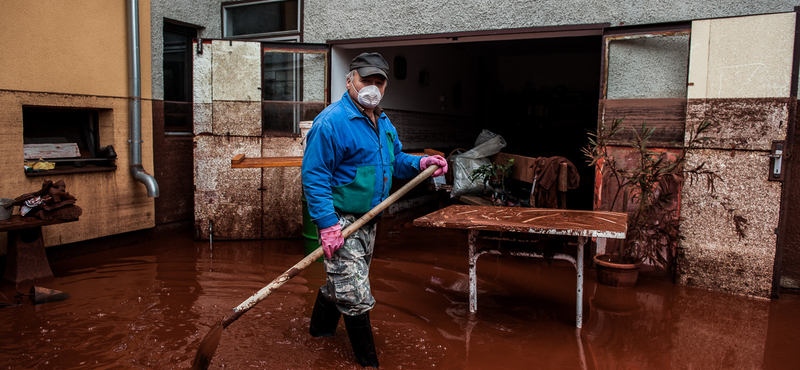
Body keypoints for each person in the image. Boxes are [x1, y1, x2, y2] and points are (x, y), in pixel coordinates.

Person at [301, 52, 448, 368]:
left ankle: (318, 334)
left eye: (379, 81)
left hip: (368, 220)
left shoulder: (383, 122)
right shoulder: (331, 123)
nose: (372, 87)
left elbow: (395, 161)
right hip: (340, 220)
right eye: (366, 79)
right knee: (355, 293)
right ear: (349, 79)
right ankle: (369, 364)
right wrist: (327, 225)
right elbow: (314, 176)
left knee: (339, 282)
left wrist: (421, 163)